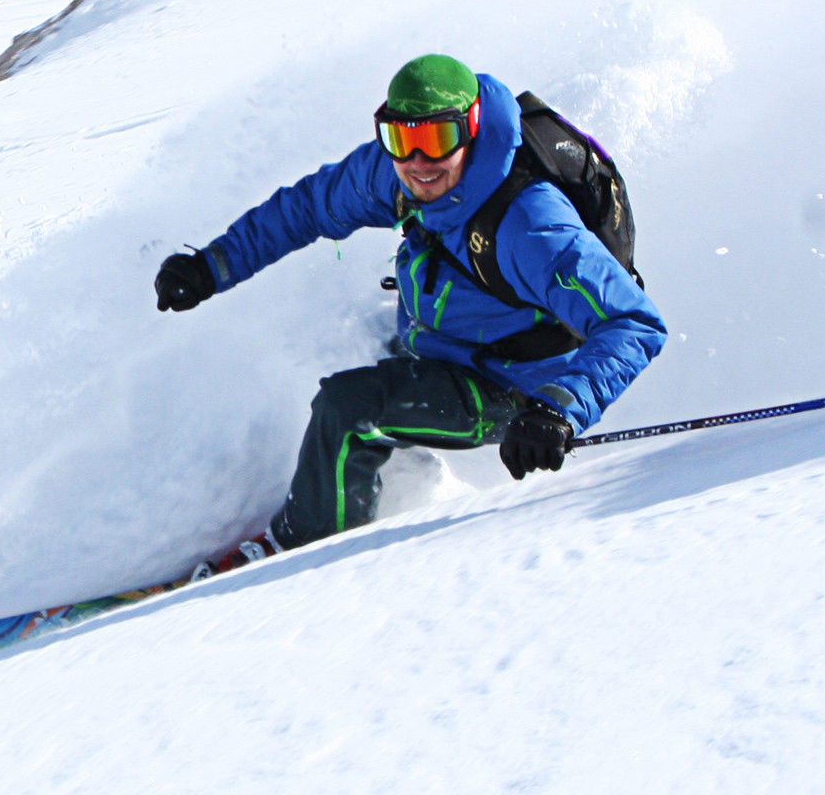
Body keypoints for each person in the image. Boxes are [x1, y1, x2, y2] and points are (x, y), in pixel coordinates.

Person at [154, 53, 666, 558]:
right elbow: (307, 206)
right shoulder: (396, 172)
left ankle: (303, 549)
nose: (419, 163)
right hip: (444, 336)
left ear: (470, 128)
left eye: (436, 140)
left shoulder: (530, 226)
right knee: (345, 341)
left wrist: (557, 411)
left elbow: (634, 322)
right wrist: (213, 266)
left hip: (515, 387)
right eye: (402, 140)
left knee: (349, 409)